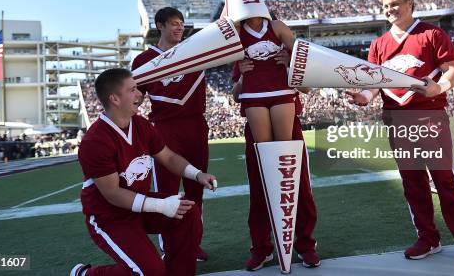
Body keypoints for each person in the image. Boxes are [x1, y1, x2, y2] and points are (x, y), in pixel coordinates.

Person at [347, 0, 454, 271]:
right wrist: (363, 96)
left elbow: (453, 69)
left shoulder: (431, 33)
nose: (390, 10)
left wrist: (440, 87)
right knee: (412, 182)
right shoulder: (378, 44)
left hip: (429, 117)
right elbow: (375, 85)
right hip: (396, 119)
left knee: (445, 180)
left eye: (395, 4)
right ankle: (428, 236)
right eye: (386, 6)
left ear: (410, 3)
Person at [71, 68, 217, 276]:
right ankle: (87, 274)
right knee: (149, 271)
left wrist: (197, 174)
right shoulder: (95, 141)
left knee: (188, 212)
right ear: (114, 98)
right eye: (132, 90)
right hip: (109, 215)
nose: (140, 94)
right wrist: (161, 205)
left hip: (139, 206)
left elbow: (168, 157)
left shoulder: (141, 125)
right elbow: (113, 194)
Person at [131, 7, 210, 261]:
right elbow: (135, 98)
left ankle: (192, 243)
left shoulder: (195, 51)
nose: (179, 27)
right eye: (174, 23)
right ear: (159, 25)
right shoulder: (143, 61)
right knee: (167, 189)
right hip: (165, 129)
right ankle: (170, 247)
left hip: (197, 126)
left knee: (196, 189)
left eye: (182, 23)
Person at [232, 51, 320, 271]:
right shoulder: (243, 51)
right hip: (256, 124)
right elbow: (235, 95)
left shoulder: (289, 50)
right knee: (260, 188)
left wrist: (291, 68)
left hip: (289, 122)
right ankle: (262, 248)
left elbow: (307, 88)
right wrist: (242, 77)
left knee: (298, 186)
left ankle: (305, 244)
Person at [236, 16, 296, 144]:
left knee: (284, 147)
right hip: (253, 94)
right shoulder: (237, 30)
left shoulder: (276, 25)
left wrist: (290, 62)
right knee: (264, 149)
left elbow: (301, 53)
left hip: (281, 91)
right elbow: (221, 27)